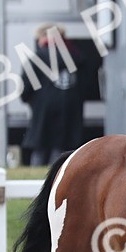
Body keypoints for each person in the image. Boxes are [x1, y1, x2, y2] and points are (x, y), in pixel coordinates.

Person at [21, 24, 84, 167]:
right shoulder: (76, 56)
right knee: (62, 149)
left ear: (44, 37)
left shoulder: (37, 58)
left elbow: (26, 88)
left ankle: (35, 177)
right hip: (70, 109)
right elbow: (85, 84)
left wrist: (29, 99)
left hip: (43, 108)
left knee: (40, 149)